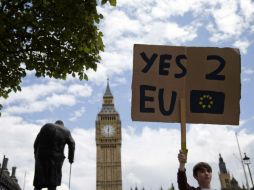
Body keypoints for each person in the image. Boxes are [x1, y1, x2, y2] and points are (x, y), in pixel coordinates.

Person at [33, 120, 75, 190]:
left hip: (41, 156)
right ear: (62, 125)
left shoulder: (46, 126)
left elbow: (35, 143)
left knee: (39, 181)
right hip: (56, 158)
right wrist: (71, 158)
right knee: (52, 182)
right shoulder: (66, 131)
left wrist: (36, 156)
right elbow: (72, 144)